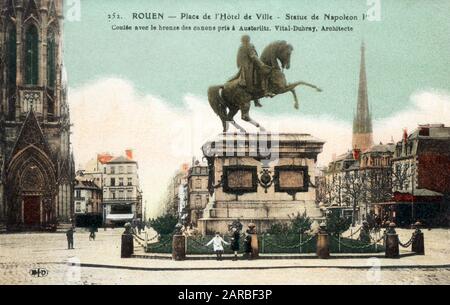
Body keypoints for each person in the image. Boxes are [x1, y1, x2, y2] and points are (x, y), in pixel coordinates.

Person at [234, 35, 273, 107]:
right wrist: (262, 65)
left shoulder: (242, 46)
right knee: (262, 73)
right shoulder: (248, 46)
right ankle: (265, 91)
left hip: (245, 65)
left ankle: (257, 99)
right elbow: (253, 56)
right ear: (247, 40)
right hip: (248, 66)